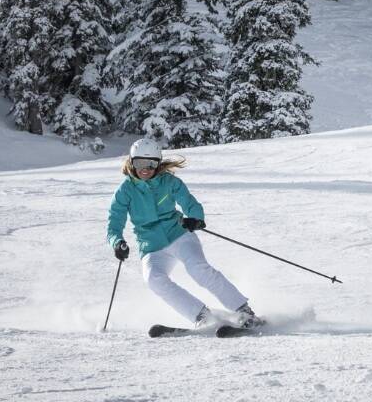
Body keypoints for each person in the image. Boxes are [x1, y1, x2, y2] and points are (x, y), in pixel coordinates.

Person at [106, 137, 263, 329]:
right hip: (151, 245)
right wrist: (117, 242)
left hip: (179, 235)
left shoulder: (169, 182)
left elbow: (189, 202)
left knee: (198, 268)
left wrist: (195, 218)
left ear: (158, 163)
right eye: (139, 163)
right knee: (153, 279)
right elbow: (114, 222)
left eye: (150, 163)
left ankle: (243, 310)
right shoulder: (125, 191)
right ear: (131, 162)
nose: (145, 168)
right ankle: (203, 316)